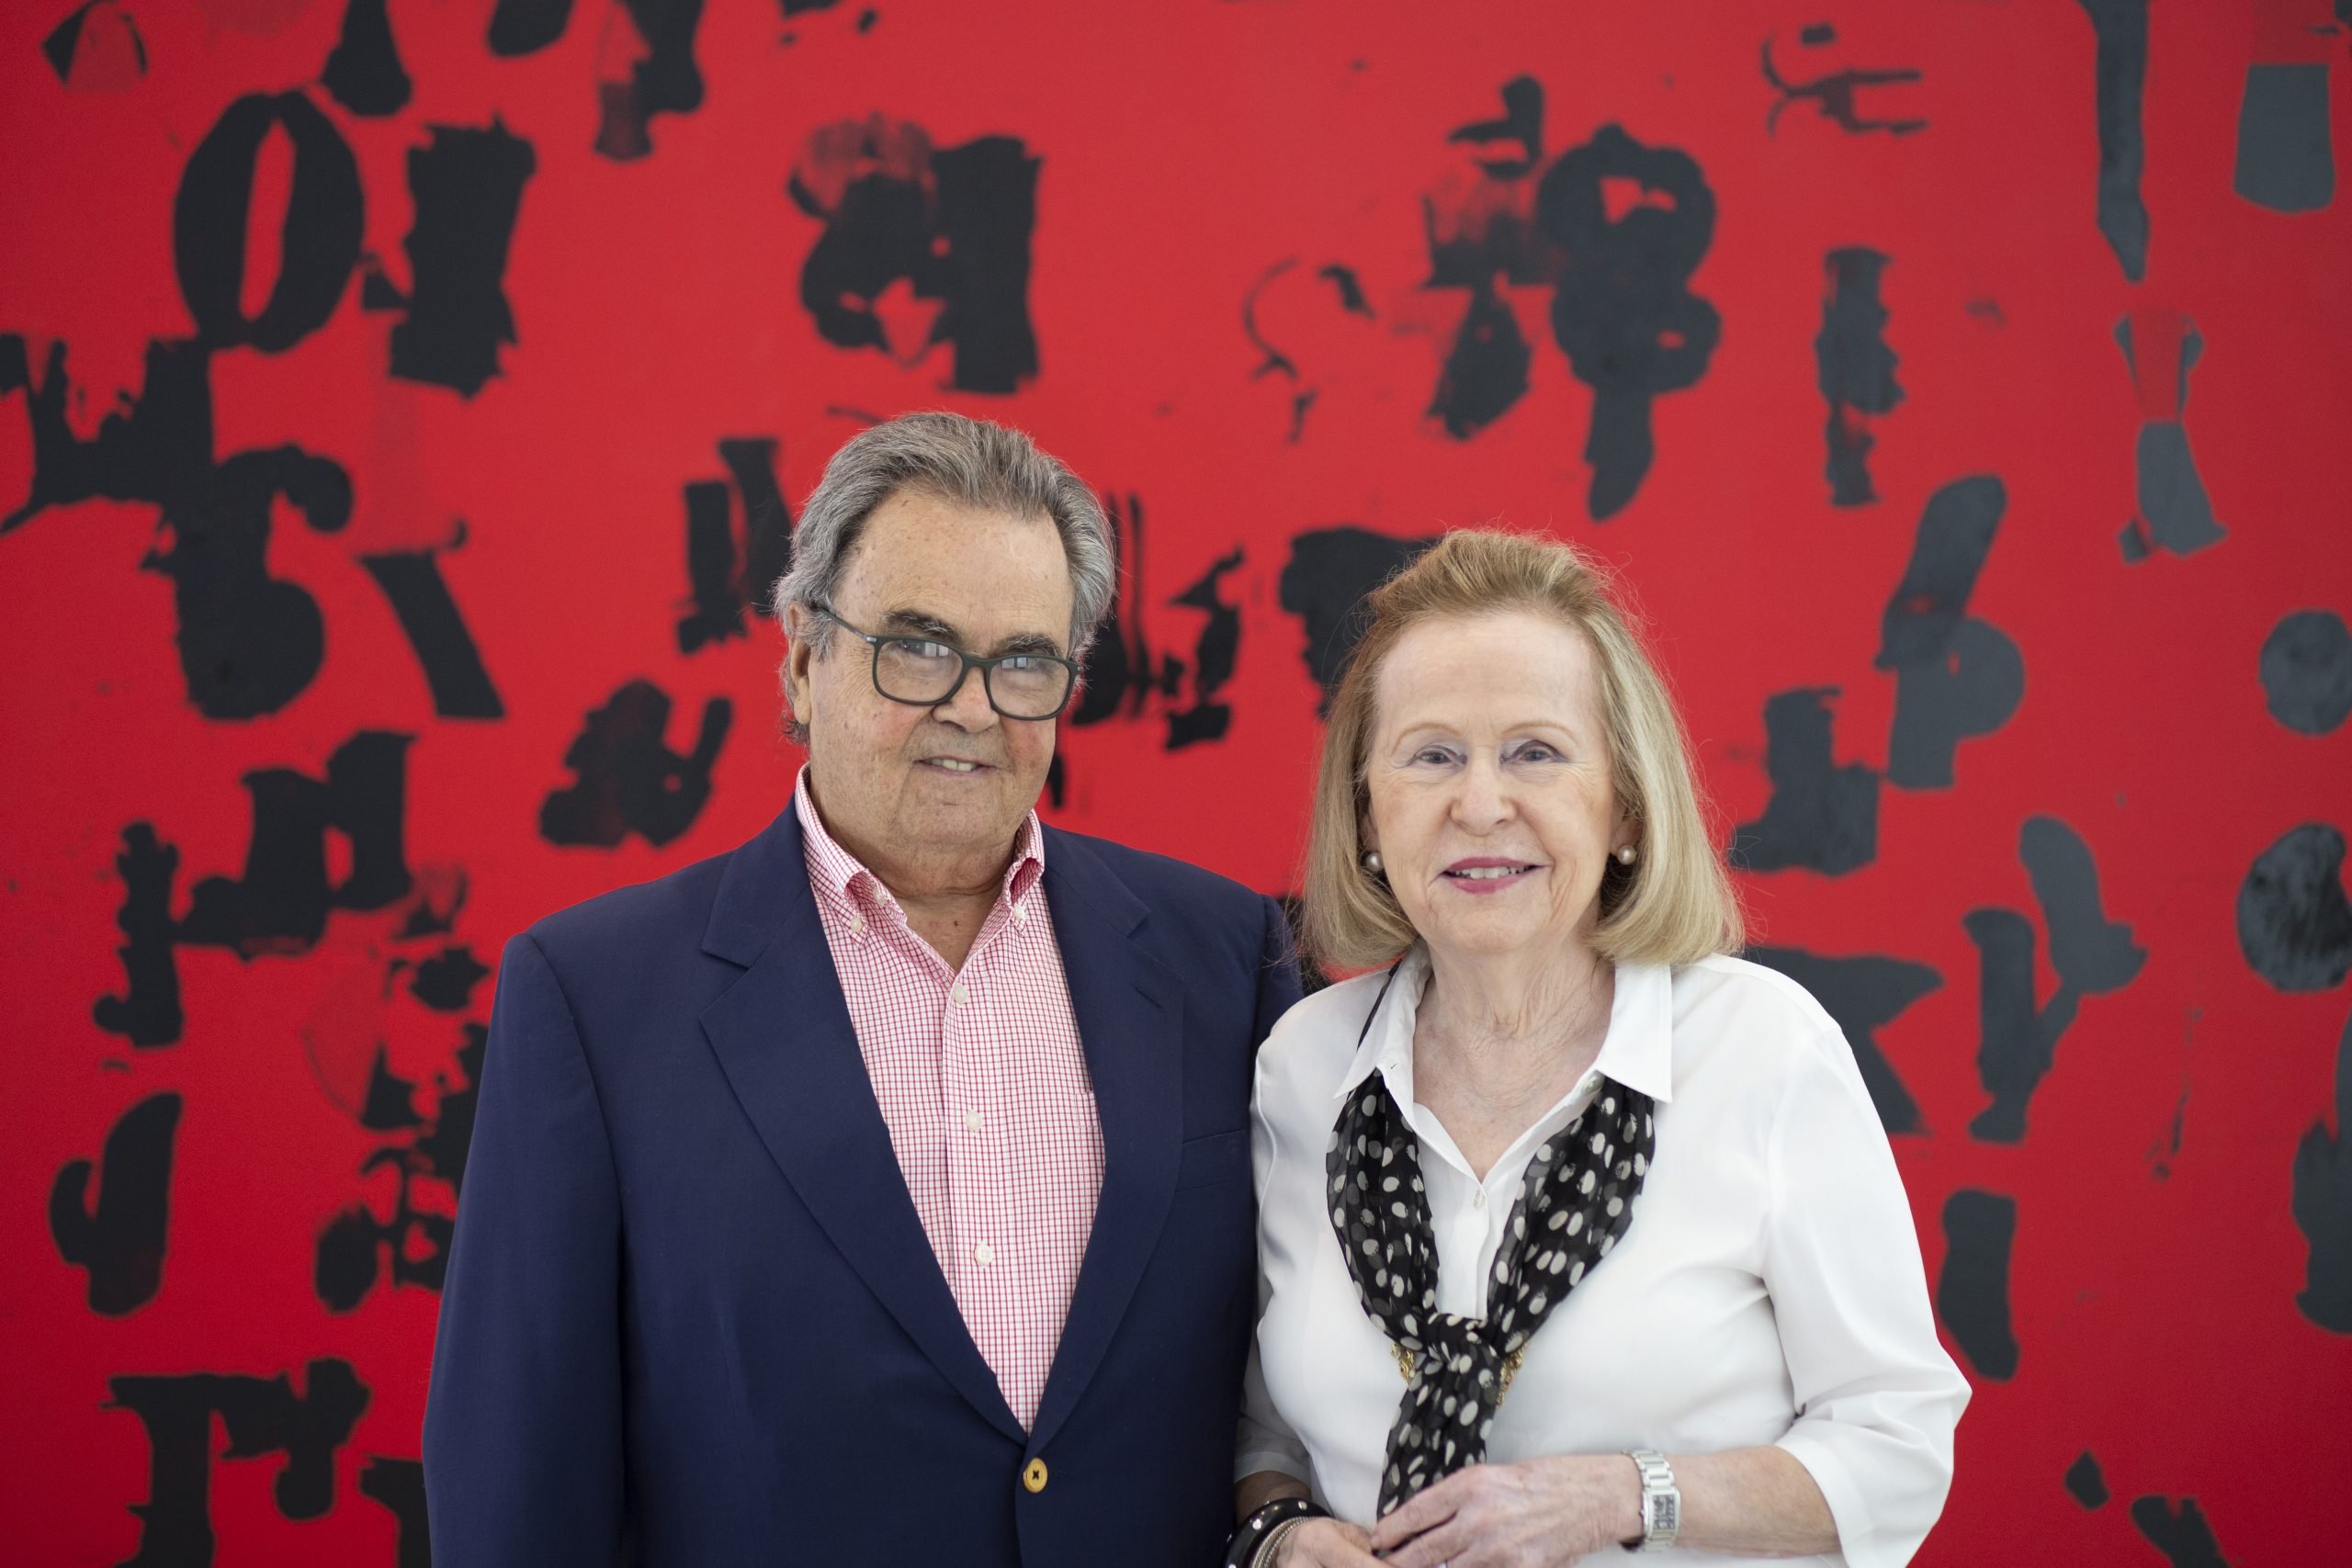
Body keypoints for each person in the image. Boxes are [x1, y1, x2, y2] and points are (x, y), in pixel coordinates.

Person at [424, 412, 1301, 1566]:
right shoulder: (592, 999)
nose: (974, 707)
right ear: (801, 652)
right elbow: (519, 1483)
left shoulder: (1226, 958)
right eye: (918, 645)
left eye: (1025, 660)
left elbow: (1303, 1370)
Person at [1231, 530, 1967, 1568]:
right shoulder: (1301, 1067)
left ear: (1623, 805)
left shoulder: (1763, 1050)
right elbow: (1267, 1427)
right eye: (1431, 754)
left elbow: (1898, 1444)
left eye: (1535, 751)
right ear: (1365, 813)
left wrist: (1622, 1497)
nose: (1480, 804)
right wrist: (1280, 1538)